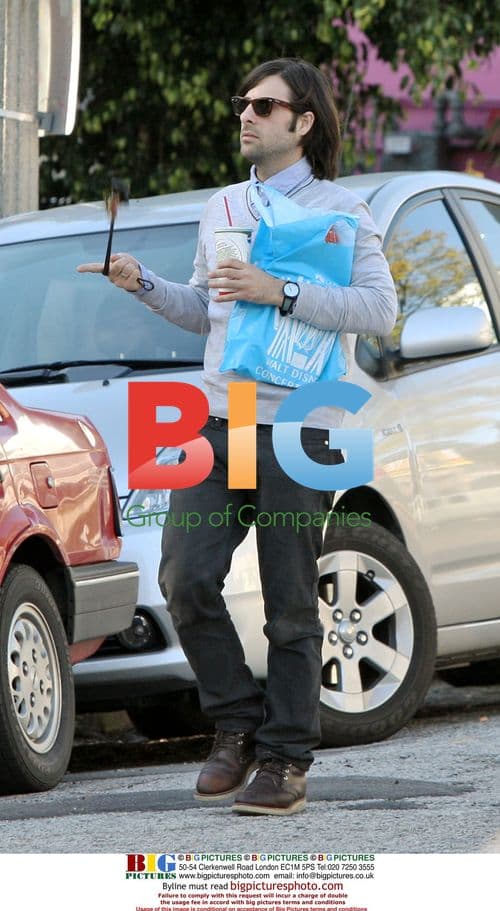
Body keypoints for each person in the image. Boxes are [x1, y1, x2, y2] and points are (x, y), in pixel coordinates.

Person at [78, 57, 397, 816]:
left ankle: (285, 759)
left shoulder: (344, 210)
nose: (245, 116)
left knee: (290, 603)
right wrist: (144, 285)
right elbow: (207, 310)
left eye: (263, 105)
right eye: (241, 104)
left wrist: (280, 290)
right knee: (184, 581)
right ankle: (236, 725)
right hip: (218, 422)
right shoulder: (222, 205)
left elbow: (378, 309)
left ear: (303, 122)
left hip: (303, 425)